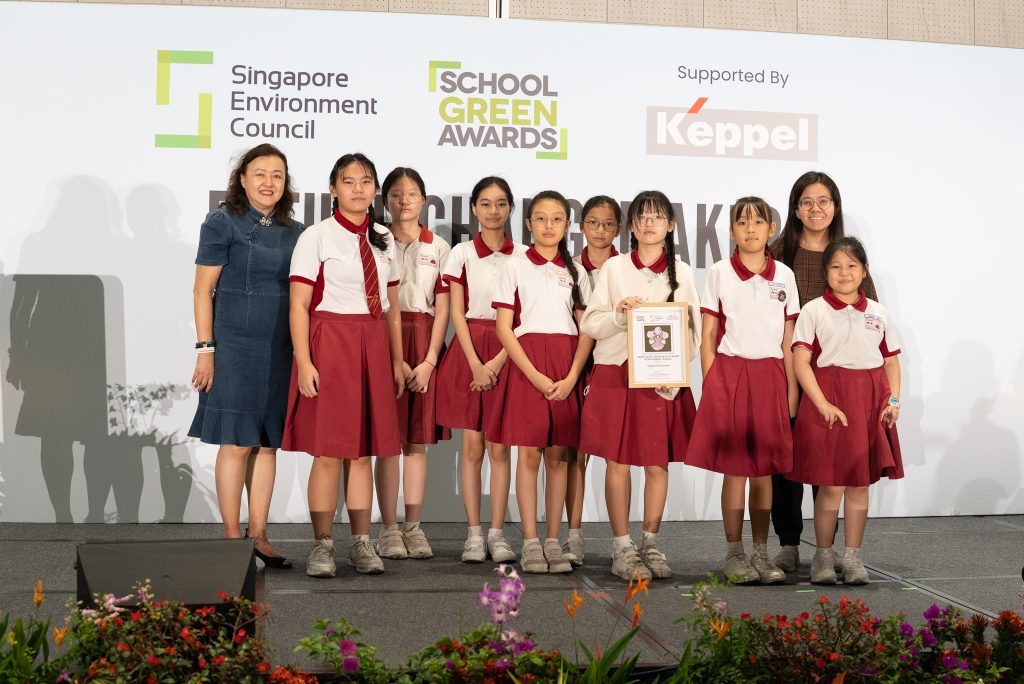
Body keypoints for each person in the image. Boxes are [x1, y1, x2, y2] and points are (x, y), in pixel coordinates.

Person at [283, 153, 404, 577]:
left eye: (366, 180)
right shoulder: (316, 236)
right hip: (331, 342)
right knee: (329, 452)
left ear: (375, 189)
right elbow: (299, 304)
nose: (358, 188)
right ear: (333, 188)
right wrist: (304, 361)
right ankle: (322, 545)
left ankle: (361, 542)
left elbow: (391, 307)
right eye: (348, 181)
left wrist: (397, 360)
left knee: (363, 453)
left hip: (373, 342)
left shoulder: (384, 237)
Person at [189, 143, 303, 569]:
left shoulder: (297, 231)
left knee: (268, 444)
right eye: (260, 173)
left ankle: (260, 536)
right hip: (233, 344)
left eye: (277, 175)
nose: (268, 182)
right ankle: (231, 538)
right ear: (242, 179)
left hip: (279, 347)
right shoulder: (222, 222)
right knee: (236, 442)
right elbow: (202, 290)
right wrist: (206, 350)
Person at [579, 191, 701, 581]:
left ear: (671, 225)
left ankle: (650, 543)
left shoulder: (683, 273)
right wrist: (618, 315)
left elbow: (694, 332)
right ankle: (621, 548)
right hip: (616, 374)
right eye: (642, 217)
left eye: (657, 217)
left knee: (656, 464)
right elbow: (590, 323)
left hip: (660, 382)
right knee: (617, 463)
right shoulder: (614, 268)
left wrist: (674, 373)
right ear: (631, 226)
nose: (649, 223)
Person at [769, 171, 878, 575]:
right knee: (786, 463)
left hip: (835, 380)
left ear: (835, 207)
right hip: (786, 369)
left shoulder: (846, 254)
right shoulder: (778, 253)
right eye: (807, 202)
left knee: (828, 466)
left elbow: (871, 318)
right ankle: (788, 543)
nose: (816, 209)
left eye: (824, 201)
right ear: (795, 209)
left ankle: (826, 551)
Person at [686, 196, 799, 585]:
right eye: (742, 222)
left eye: (758, 221)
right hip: (729, 374)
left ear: (771, 229)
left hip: (770, 376)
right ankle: (734, 554)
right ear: (732, 231)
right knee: (735, 470)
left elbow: (788, 341)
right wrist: (712, 384)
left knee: (764, 471)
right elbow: (709, 335)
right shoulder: (720, 272)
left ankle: (760, 553)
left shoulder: (784, 275)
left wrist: (791, 392)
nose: (750, 229)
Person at [786, 237, 903, 585]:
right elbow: (801, 361)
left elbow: (891, 363)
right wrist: (821, 403)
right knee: (831, 486)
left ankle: (853, 557)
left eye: (852, 265)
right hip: (828, 403)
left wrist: (893, 401)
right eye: (836, 266)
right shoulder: (814, 311)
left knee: (859, 485)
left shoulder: (879, 313)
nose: (844, 273)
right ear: (826, 272)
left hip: (869, 404)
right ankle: (823, 556)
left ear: (864, 271)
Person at [489, 190, 594, 574]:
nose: (549, 226)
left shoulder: (577, 271)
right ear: (529, 223)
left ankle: (553, 540)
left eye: (557, 219)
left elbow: (586, 330)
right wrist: (533, 375)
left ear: (567, 225)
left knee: (559, 457)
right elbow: (504, 328)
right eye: (541, 218)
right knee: (529, 455)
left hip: (566, 365)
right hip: (527, 366)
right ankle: (531, 542)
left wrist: (571, 377)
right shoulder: (514, 266)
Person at [436, 177, 526, 564]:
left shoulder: (523, 255)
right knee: (472, 447)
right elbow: (457, 312)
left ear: (510, 209)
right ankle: (473, 534)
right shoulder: (461, 253)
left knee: (500, 447)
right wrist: (475, 363)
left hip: (510, 349)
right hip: (469, 349)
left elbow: (524, 315)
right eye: (485, 204)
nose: (493, 211)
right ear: (474, 208)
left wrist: (499, 359)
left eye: (501, 203)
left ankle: (497, 533)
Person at [374, 167, 452, 560]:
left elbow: (444, 309)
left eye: (412, 194)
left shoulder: (439, 247)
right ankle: (388, 529)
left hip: (424, 342)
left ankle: (413, 528)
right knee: (387, 442)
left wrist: (429, 361)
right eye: (396, 194)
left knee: (416, 442)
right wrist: (396, 359)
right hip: (382, 338)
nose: (404, 201)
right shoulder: (374, 239)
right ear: (385, 200)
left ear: (423, 199)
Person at [564, 195, 621, 566]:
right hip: (575, 363)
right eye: (593, 223)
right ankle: (573, 536)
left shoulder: (626, 267)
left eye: (609, 224)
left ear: (619, 229)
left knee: (618, 455)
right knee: (575, 455)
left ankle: (623, 541)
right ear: (581, 226)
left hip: (615, 364)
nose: (601, 231)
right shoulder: (568, 266)